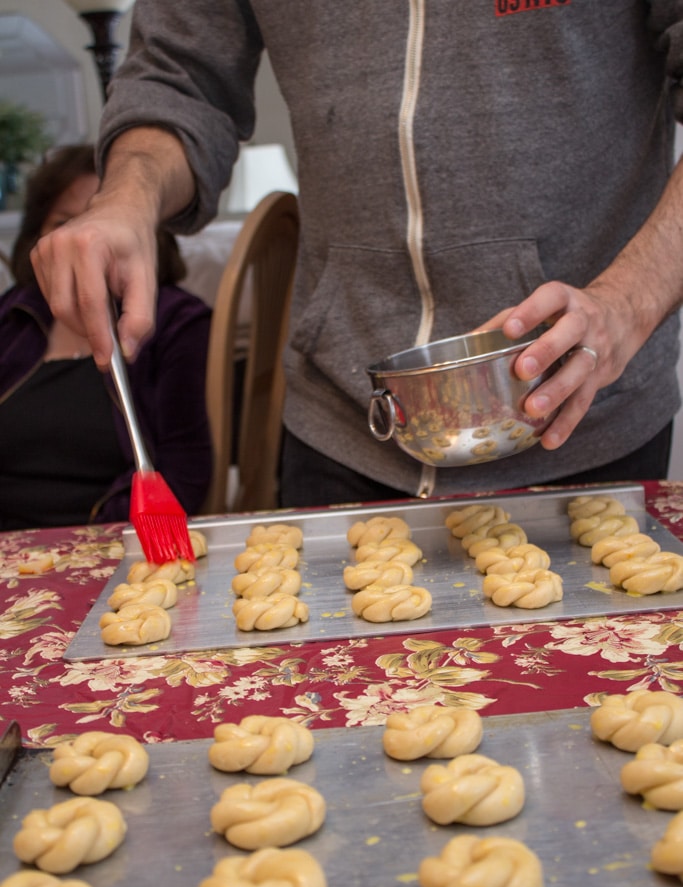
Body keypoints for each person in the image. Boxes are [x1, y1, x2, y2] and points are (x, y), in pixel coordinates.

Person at [30, 4, 683, 509]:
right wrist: (125, 197)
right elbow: (178, 75)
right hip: (344, 422)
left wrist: (627, 301)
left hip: (580, 416)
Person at [0, 144, 212, 529]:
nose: (82, 246)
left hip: (109, 544)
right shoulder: (11, 315)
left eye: (98, 227)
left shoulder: (178, 321)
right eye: (64, 226)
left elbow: (187, 471)